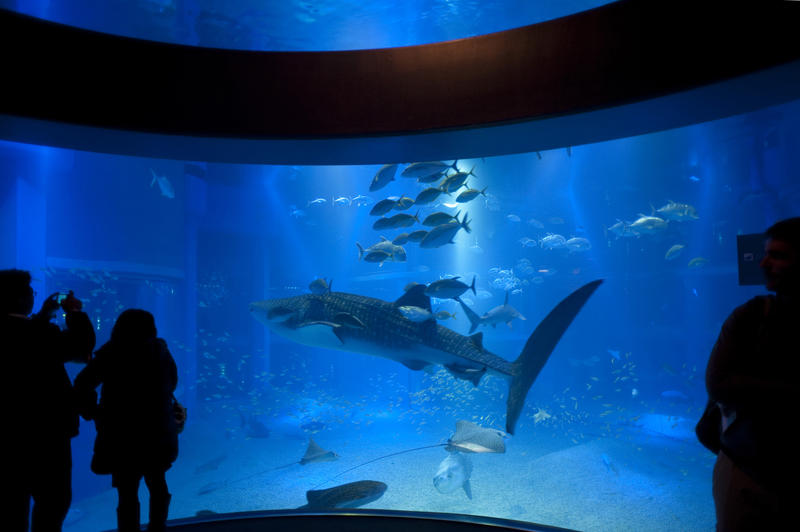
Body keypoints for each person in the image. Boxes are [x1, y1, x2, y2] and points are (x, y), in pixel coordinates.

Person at [702, 217, 800, 530]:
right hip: (746, 468)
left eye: (779, 255)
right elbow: (719, 384)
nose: (763, 263)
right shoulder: (751, 315)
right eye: (765, 253)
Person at [2, 269, 95, 532]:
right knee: (53, 501)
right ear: (21, 299)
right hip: (47, 434)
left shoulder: (33, 331)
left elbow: (24, 335)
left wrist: (43, 315)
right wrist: (74, 312)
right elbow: (82, 345)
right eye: (29, 292)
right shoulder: (43, 335)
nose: (32, 296)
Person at [74, 309, 178, 532]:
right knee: (158, 485)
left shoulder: (110, 352)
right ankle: (158, 528)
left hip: (121, 436)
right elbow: (173, 382)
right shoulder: (160, 350)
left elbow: (82, 383)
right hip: (156, 433)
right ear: (151, 328)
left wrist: (94, 412)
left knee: (127, 493)